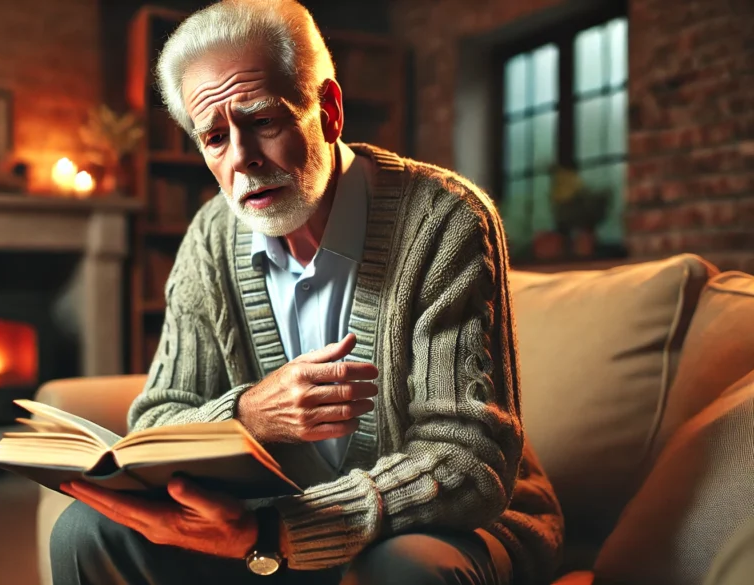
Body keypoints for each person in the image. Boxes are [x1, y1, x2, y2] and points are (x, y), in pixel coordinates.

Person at [50, 1, 564, 583]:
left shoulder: (446, 220)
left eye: (263, 121)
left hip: (447, 523)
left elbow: (469, 462)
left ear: (329, 110)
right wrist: (250, 414)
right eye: (214, 138)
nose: (241, 158)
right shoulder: (208, 237)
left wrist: (285, 532)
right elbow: (156, 424)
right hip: (270, 518)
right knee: (84, 533)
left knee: (403, 569)